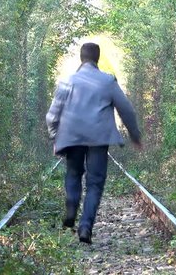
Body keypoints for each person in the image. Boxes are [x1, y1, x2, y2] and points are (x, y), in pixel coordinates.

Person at [45, 42, 142, 244]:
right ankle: (85, 227)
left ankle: (71, 206)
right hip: (98, 139)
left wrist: (55, 137)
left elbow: (52, 115)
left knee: (73, 174)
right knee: (95, 183)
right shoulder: (107, 81)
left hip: (71, 137)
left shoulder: (67, 81)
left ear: (81, 58)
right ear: (97, 58)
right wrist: (135, 135)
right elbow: (126, 110)